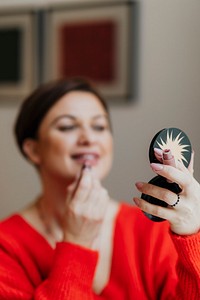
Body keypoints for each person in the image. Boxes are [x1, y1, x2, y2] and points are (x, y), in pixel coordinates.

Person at [0, 77, 199, 300]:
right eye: (67, 126)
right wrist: (77, 245)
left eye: (99, 126)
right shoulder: (6, 246)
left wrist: (192, 240)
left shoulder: (150, 231)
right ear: (33, 150)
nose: (89, 138)